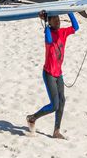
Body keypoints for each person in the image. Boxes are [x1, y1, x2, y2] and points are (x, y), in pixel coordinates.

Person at [26, 10, 79, 139]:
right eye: (55, 20)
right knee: (54, 105)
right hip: (49, 74)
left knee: (62, 101)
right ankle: (32, 118)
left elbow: (76, 27)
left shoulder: (63, 32)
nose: (58, 22)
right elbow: (49, 39)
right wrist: (45, 23)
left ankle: (56, 131)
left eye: (59, 20)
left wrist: (69, 11)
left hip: (59, 74)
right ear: (50, 23)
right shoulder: (48, 34)